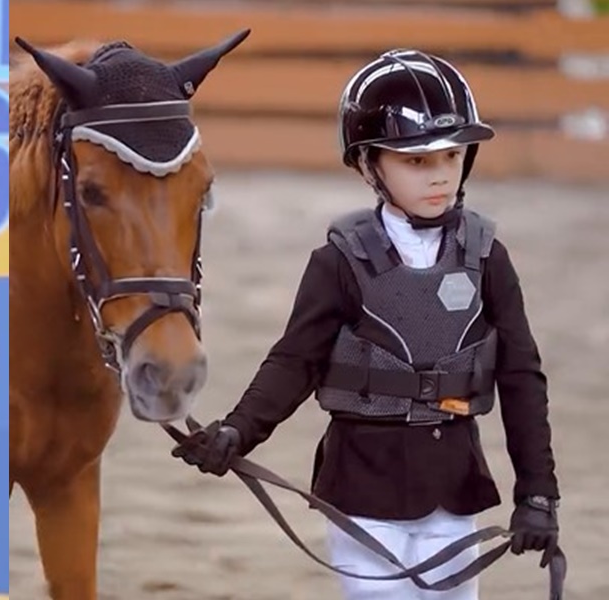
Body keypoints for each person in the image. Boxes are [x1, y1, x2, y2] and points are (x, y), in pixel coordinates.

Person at [171, 49, 560, 599]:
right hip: (361, 486)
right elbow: (295, 361)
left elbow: (522, 378)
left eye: (451, 156)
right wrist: (238, 430)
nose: (441, 176)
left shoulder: (488, 257)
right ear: (368, 164)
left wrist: (538, 494)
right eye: (417, 162)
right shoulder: (339, 262)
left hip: (454, 483)